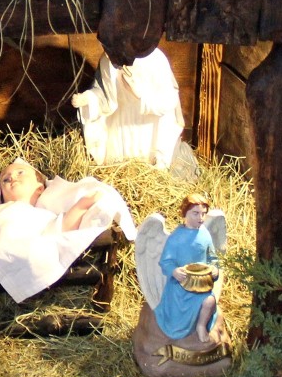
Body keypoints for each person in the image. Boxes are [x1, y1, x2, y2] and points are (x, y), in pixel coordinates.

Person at [72, 49, 185, 167]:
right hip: (119, 125)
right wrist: (89, 99)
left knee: (145, 159)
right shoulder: (108, 60)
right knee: (118, 163)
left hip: (147, 127)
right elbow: (104, 94)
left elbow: (169, 101)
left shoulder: (155, 59)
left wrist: (141, 95)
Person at [155, 193, 219, 344]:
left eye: (203, 213)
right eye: (195, 213)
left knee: (209, 301)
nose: (200, 218)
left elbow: (213, 258)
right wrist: (174, 271)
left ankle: (201, 326)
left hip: (201, 285)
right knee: (176, 317)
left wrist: (214, 269)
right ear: (185, 213)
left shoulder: (205, 235)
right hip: (180, 287)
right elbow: (166, 261)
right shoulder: (176, 237)